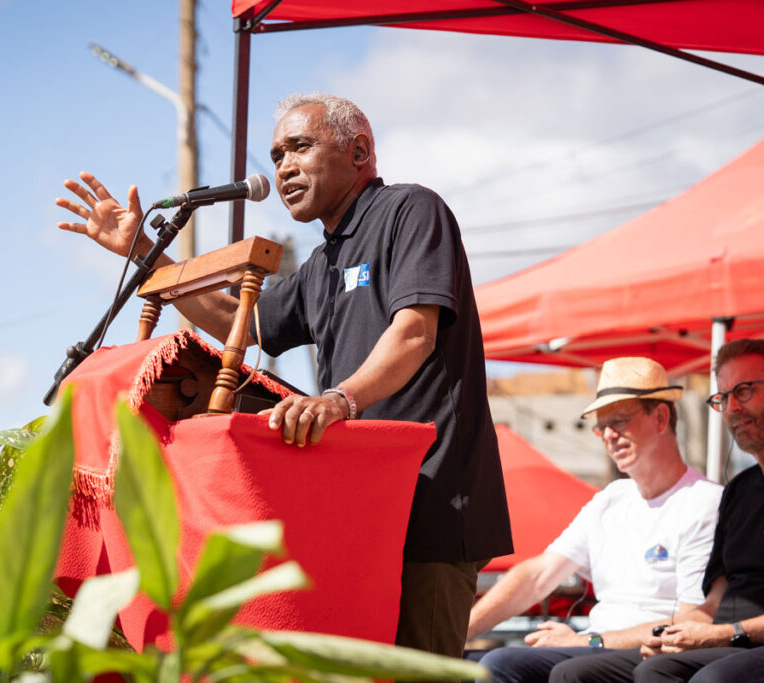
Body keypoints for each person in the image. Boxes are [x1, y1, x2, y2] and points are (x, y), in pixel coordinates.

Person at [54, 92, 512, 657]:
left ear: (359, 150)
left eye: (299, 147)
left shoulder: (410, 210)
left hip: (433, 502)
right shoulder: (323, 261)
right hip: (362, 509)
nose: (283, 167)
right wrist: (144, 250)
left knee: (420, 670)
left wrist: (338, 400)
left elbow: (415, 331)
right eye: (276, 155)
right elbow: (237, 326)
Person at [468, 357, 722, 683]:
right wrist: (462, 632)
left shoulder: (705, 502)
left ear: (661, 418)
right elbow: (537, 575)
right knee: (467, 662)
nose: (608, 436)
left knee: (504, 663)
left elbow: (694, 621)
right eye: (601, 427)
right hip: (595, 646)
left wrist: (589, 640)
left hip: (651, 656)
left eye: (619, 421)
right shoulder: (611, 498)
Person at [548, 339, 764, 682]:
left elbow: (714, 622)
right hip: (722, 641)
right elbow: (713, 606)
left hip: (739, 642)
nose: (732, 407)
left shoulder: (704, 499)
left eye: (745, 390)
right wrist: (675, 636)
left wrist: (721, 633)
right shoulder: (739, 492)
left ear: (661, 418)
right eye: (723, 398)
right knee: (564, 672)